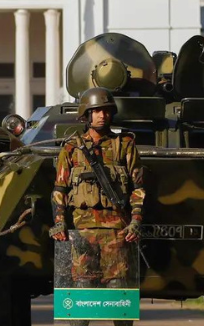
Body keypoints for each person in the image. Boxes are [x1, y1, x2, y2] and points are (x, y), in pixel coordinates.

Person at [50, 81, 145, 305]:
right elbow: (60, 189)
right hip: (81, 229)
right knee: (82, 286)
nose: (103, 115)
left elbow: (137, 189)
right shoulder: (71, 148)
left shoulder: (125, 145)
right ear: (86, 115)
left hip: (117, 230)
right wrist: (59, 221)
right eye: (97, 111)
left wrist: (136, 221)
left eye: (107, 111)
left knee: (119, 288)